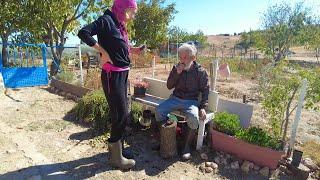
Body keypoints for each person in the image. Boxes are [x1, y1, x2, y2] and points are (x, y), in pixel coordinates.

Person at [78, 0, 145, 170]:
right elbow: (83, 32)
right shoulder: (105, 20)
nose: (134, 15)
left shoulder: (118, 24)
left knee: (123, 113)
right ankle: (116, 158)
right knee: (120, 113)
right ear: (122, 9)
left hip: (122, 73)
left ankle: (118, 151)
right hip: (111, 75)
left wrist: (133, 49)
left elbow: (119, 45)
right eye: (132, 11)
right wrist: (102, 51)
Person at [155, 43, 209, 160]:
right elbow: (169, 86)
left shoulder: (200, 72)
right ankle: (165, 140)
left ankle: (186, 147)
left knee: (194, 119)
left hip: (191, 102)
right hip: (175, 99)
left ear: (192, 58)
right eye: (180, 57)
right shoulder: (176, 68)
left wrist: (203, 107)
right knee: (159, 111)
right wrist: (177, 74)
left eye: (185, 57)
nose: (182, 60)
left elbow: (205, 90)